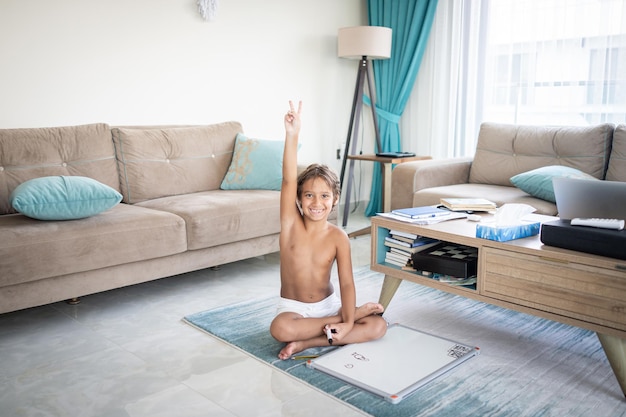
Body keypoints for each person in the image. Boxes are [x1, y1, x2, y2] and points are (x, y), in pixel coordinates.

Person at [270, 100, 387, 360]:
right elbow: (289, 178)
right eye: (309, 195)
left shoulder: (338, 237)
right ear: (299, 199)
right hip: (295, 310)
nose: (316, 202)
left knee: (378, 326)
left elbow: (346, 282)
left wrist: (345, 317)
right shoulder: (291, 226)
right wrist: (292, 134)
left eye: (324, 196)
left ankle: (306, 343)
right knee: (280, 328)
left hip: (329, 304)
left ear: (335, 200)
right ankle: (345, 321)